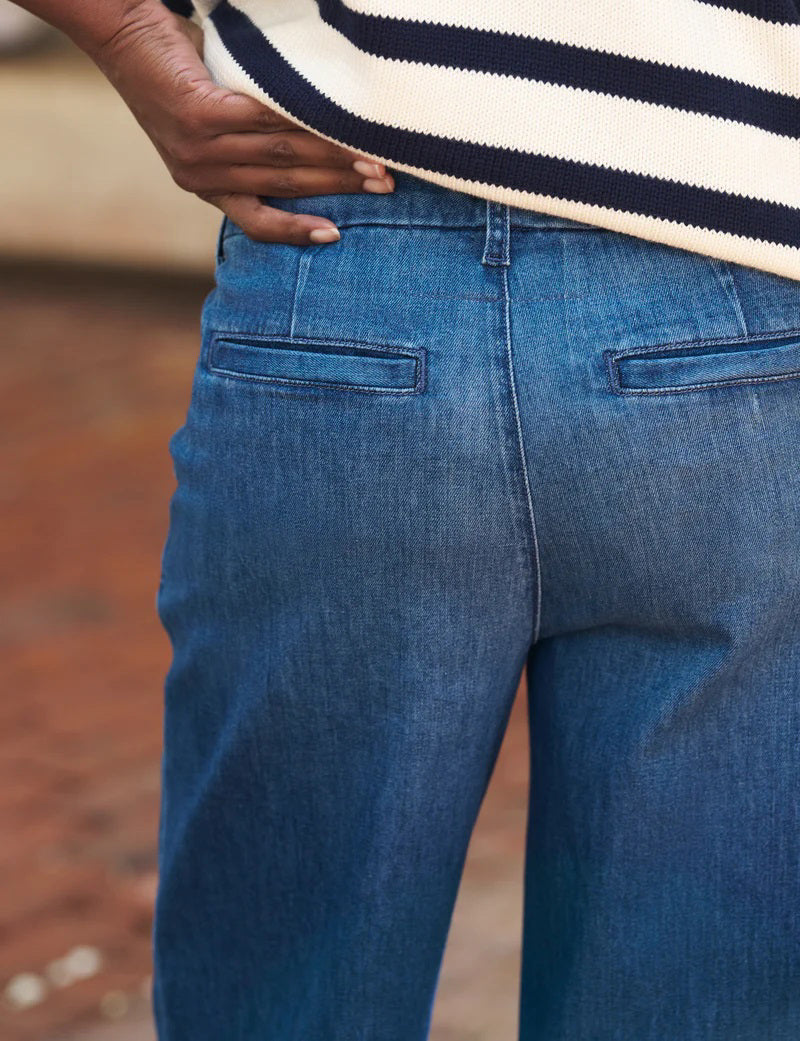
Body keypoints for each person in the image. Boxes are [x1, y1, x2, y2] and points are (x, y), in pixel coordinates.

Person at [15, 2, 800, 1039]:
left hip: (347, 271)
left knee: (287, 988)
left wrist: (124, 35)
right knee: (697, 994)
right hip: (728, 296)